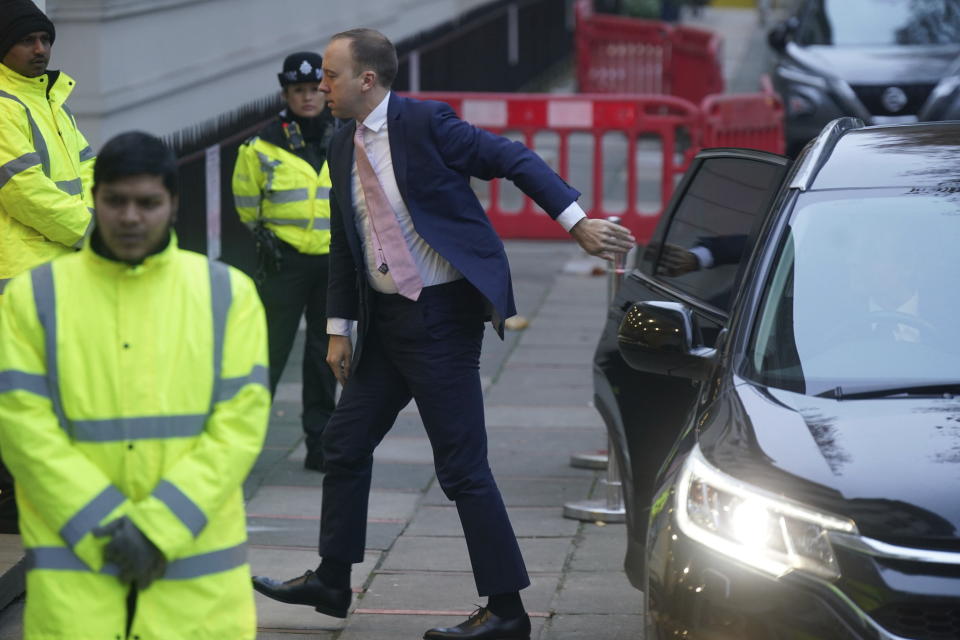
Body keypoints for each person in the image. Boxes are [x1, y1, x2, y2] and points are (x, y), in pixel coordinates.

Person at [251, 28, 635, 640]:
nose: (320, 86)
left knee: (462, 468)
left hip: (440, 322)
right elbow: (346, 244)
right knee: (343, 445)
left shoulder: (427, 124)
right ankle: (332, 578)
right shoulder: (342, 142)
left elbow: (513, 157)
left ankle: (507, 611)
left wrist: (578, 222)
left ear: (367, 80)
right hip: (383, 328)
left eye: (330, 75)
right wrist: (338, 328)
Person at [0, 131, 270, 639]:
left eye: (147, 203)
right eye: (115, 201)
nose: (129, 217)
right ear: (94, 198)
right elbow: (23, 428)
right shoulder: (33, 299)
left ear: (173, 204)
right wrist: (112, 527)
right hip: (79, 597)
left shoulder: (227, 296)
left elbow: (239, 427)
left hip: (194, 599)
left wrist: (153, 529)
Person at [232, 51, 338, 472]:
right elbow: (246, 205)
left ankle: (320, 446)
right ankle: (243, 447)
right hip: (284, 262)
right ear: (286, 94)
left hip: (332, 262)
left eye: (315, 89)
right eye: (299, 91)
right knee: (268, 352)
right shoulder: (260, 146)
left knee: (324, 356)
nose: (308, 98)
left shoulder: (344, 136)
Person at [0, 0, 95, 303]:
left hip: (63, 264)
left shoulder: (52, 101)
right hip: (23, 275)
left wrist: (94, 223)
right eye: (27, 41)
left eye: (45, 39)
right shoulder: (4, 108)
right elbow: (24, 192)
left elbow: (90, 167)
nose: (40, 49)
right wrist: (92, 229)